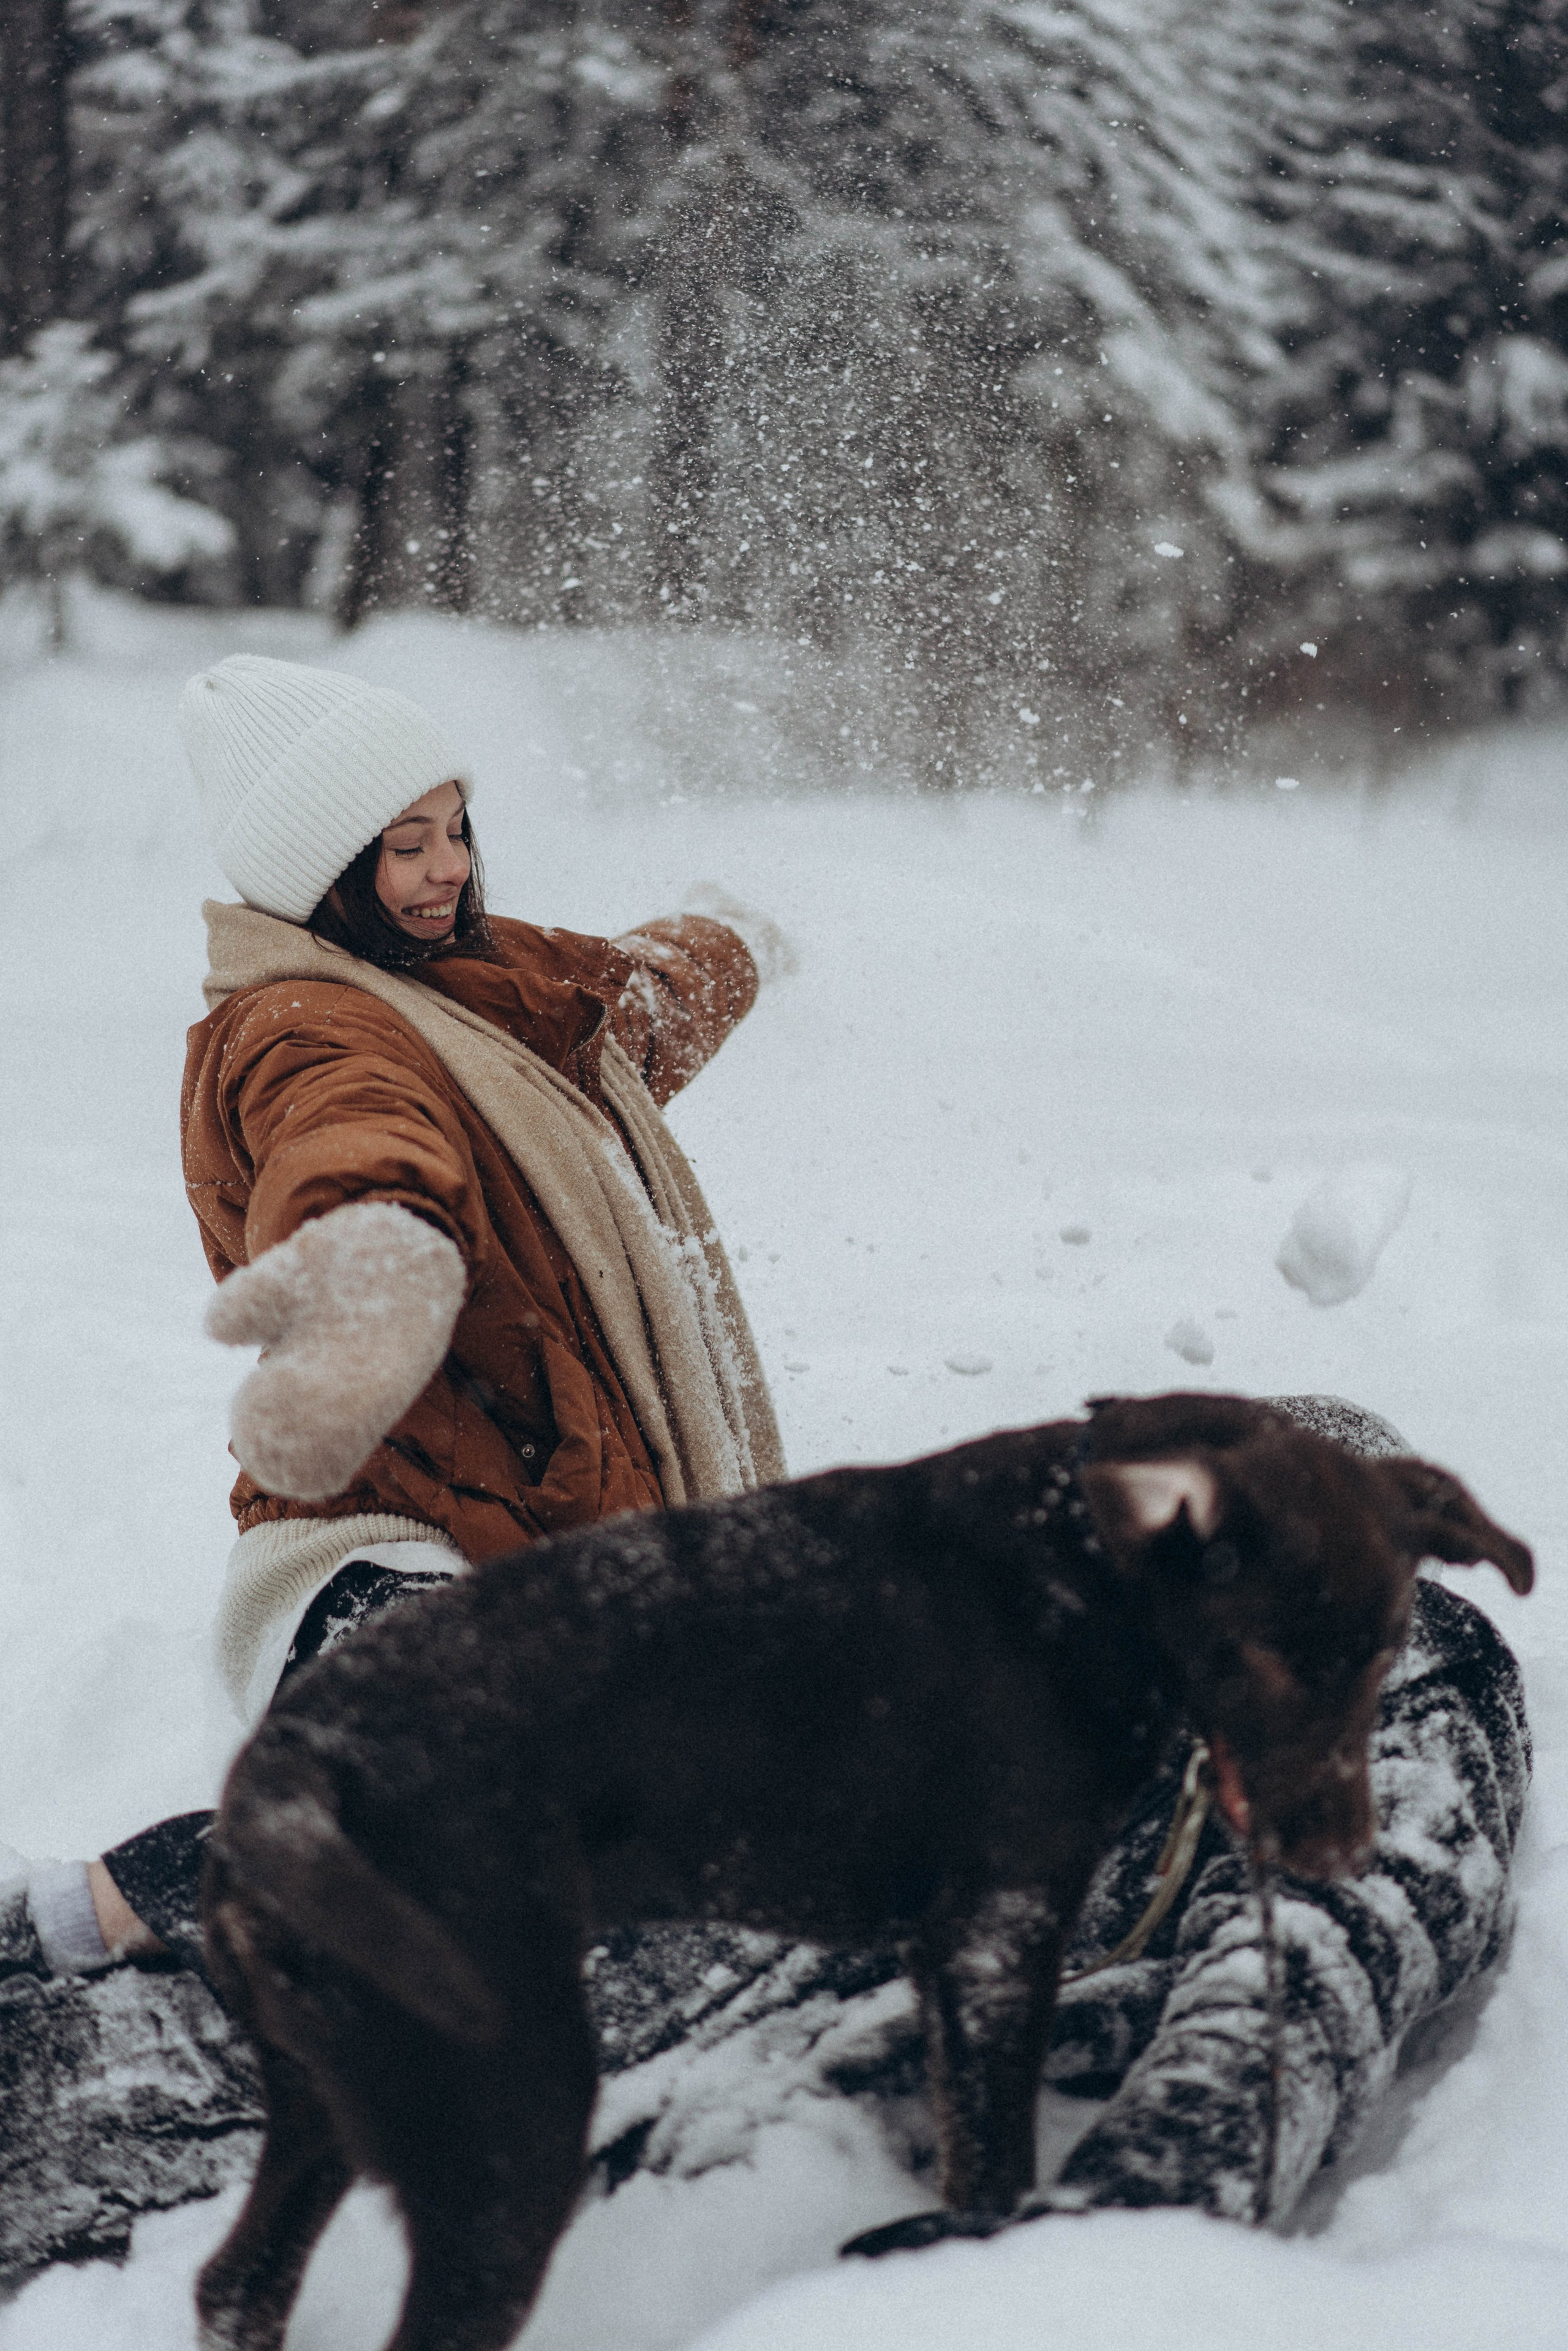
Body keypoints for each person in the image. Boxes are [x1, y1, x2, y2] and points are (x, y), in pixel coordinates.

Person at [1, 652, 788, 1983]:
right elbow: (358, 1146)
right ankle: (77, 1920)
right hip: (394, 1541)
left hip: (547, 1530)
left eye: (457, 828)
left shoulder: (482, 983)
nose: (446, 868)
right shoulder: (302, 1023)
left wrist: (731, 942)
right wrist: (375, 1268)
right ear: (322, 873)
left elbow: (625, 1007)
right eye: (402, 845)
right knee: (439, 1805)